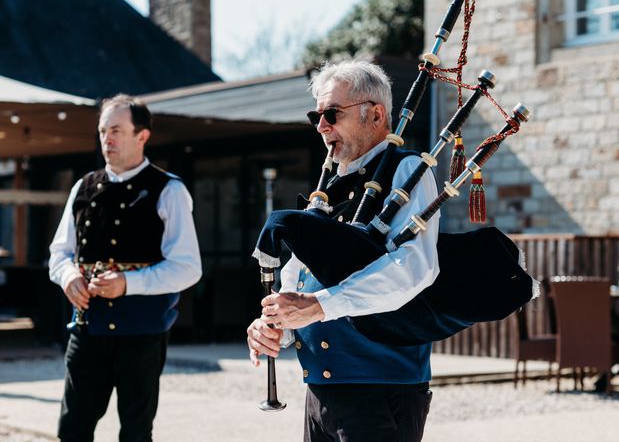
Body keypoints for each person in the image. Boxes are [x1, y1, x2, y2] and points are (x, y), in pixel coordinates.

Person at [247, 60, 441, 441]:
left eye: (332, 113)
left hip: (380, 391)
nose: (321, 126)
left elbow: (414, 268)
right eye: (316, 115)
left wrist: (318, 306)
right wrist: (277, 326)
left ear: (376, 114)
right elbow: (297, 280)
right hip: (321, 390)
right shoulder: (328, 190)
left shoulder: (407, 170)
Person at [49, 94, 202, 442]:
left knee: (135, 430)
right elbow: (59, 253)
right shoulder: (83, 187)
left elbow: (188, 268)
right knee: (72, 427)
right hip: (86, 329)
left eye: (117, 130)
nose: (108, 139)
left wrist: (128, 284)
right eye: (103, 131)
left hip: (142, 332)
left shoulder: (169, 190)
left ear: (142, 136)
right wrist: (68, 275)